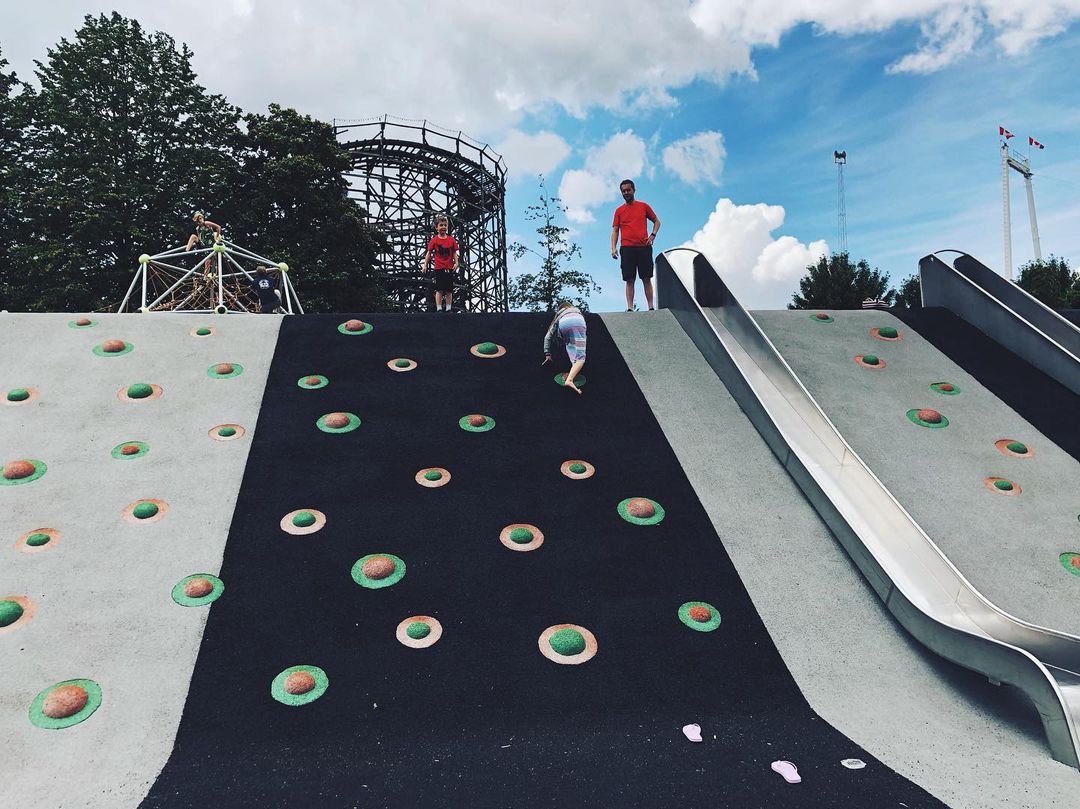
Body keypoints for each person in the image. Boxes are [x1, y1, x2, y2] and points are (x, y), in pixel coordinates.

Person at [610, 179, 660, 311]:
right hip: (627, 248)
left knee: (646, 278)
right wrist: (613, 248)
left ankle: (650, 307)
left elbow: (656, 221)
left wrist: (653, 235)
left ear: (633, 190)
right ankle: (630, 308)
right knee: (629, 279)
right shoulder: (619, 211)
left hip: (644, 247)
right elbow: (615, 230)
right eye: (623, 191)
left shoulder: (643, 206)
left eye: (628, 190)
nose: (626, 192)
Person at [542, 300, 587, 395]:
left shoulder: (559, 315)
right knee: (580, 357)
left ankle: (573, 370)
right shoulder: (576, 311)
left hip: (564, 323)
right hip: (579, 322)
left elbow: (547, 337)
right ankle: (570, 379)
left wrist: (547, 354)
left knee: (569, 345)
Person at [421, 214, 459, 312]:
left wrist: (456, 262)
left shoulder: (451, 240)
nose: (443, 227)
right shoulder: (434, 240)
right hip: (439, 268)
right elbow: (428, 253)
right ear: (436, 227)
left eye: (445, 225)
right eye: (441, 225)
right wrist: (425, 264)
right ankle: (439, 309)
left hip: (449, 267)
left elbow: (454, 252)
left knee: (449, 290)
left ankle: (448, 308)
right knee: (439, 289)